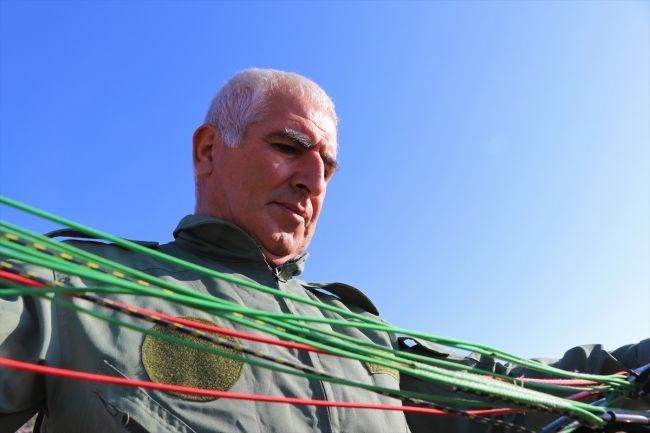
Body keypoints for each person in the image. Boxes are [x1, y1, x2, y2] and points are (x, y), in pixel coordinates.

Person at [0, 69, 647, 433]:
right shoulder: (69, 286)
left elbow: (522, 390)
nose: (312, 179)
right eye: (289, 147)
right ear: (209, 151)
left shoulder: (360, 335)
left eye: (328, 167)